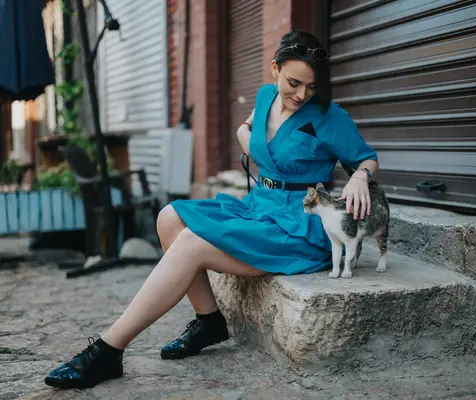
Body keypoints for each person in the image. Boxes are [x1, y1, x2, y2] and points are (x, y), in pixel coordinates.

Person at [44, 30, 379, 389]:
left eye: (310, 87)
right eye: (294, 83)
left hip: (298, 223)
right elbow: (249, 127)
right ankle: (209, 322)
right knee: (169, 217)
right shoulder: (266, 97)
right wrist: (242, 135)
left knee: (190, 244)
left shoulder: (331, 116)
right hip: (259, 205)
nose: (301, 95)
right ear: (275, 69)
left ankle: (107, 351)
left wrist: (359, 176)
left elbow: (367, 158)